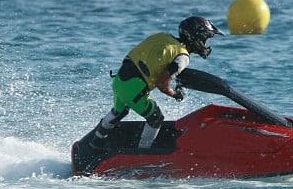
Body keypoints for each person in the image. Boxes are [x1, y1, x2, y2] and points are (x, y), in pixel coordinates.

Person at [90, 16, 225, 150]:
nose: (205, 43)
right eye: (205, 39)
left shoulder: (162, 36)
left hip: (119, 81)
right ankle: (143, 152)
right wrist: (175, 94)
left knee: (119, 112)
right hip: (134, 88)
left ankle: (96, 142)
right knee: (156, 118)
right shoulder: (183, 57)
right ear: (196, 38)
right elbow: (162, 83)